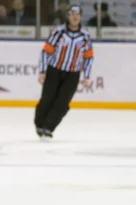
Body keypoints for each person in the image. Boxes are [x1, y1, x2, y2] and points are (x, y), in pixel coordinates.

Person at [35, 5, 93, 140]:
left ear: (80, 17)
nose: (75, 17)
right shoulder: (58, 32)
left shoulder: (85, 36)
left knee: (63, 102)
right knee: (48, 98)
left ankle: (49, 127)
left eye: (77, 14)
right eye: (72, 14)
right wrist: (42, 71)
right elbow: (46, 51)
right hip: (54, 70)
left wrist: (87, 76)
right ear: (68, 16)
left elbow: (88, 57)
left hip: (73, 74)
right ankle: (39, 123)